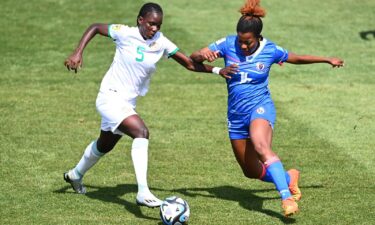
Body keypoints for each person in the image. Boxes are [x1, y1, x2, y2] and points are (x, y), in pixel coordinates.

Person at [63, 2, 236, 208]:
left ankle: (75, 174)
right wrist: (77, 52)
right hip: (109, 97)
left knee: (105, 144)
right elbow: (95, 27)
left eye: (159, 25)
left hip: (126, 102)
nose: (155, 29)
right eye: (151, 24)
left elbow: (189, 63)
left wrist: (217, 71)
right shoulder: (125, 33)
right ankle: (143, 192)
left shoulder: (161, 42)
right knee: (141, 132)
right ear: (141, 20)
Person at [190, 0, 344, 217]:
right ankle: (289, 177)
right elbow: (194, 57)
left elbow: (296, 58)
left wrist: (326, 59)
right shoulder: (226, 44)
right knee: (250, 171)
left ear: (257, 38)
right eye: (241, 41)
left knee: (262, 146)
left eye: (248, 42)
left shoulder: (270, 49)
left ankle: (287, 198)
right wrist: (205, 58)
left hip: (260, 108)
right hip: (235, 115)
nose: (243, 46)